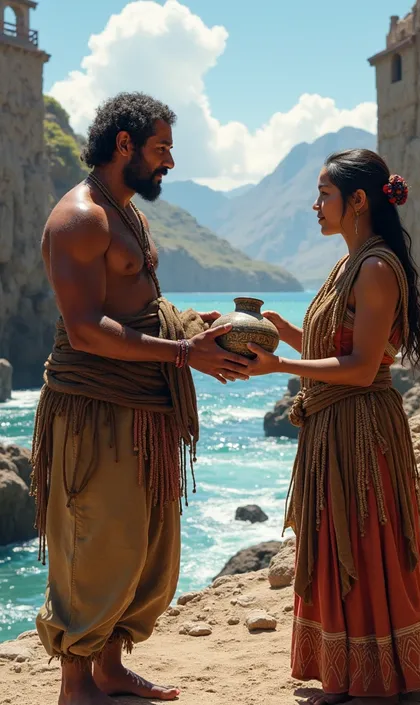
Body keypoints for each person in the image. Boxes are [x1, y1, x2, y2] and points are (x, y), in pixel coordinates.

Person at [31, 91, 249, 705]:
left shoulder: (130, 214)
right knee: (95, 540)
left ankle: (111, 668)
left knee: (143, 544)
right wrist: (184, 354)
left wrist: (185, 323)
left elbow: (139, 306)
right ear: (124, 145)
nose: (169, 163)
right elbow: (84, 329)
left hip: (144, 404)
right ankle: (77, 684)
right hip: (94, 408)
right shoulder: (81, 219)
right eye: (161, 150)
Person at [246, 149, 420, 705]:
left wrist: (280, 367)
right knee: (335, 541)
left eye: (324, 194)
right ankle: (347, 673)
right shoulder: (348, 264)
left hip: (361, 431)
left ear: (359, 200)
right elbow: (341, 349)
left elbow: (361, 367)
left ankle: (376, 677)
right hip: (334, 425)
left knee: (362, 539)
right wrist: (280, 332)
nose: (315, 204)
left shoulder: (376, 268)